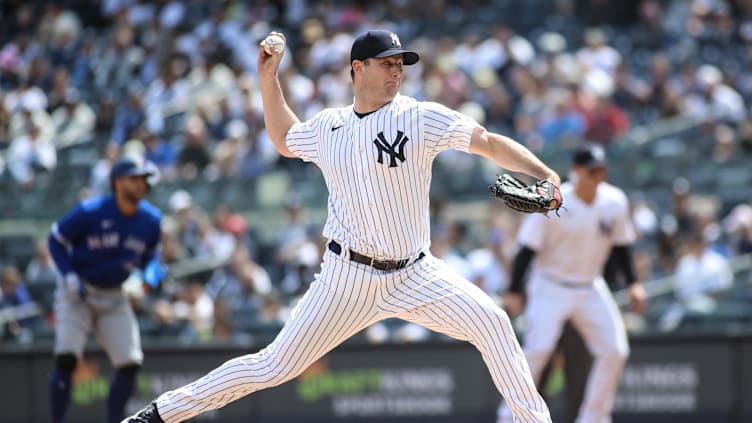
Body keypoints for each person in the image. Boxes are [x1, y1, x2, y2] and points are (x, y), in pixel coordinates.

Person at [123, 29, 561, 423]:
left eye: (400, 64)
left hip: (416, 273)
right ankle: (161, 414)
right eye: (387, 63)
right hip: (346, 277)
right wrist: (268, 80)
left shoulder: (419, 116)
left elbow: (487, 142)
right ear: (359, 68)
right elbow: (284, 138)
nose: (397, 72)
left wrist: (543, 174)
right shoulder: (329, 126)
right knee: (273, 365)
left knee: (494, 323)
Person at [497, 144, 646, 423]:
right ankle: (510, 417)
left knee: (615, 351)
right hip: (550, 286)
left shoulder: (614, 201)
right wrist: (515, 289)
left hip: (590, 286)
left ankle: (594, 417)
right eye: (592, 170)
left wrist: (633, 283)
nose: (598, 175)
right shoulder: (553, 201)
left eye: (601, 170)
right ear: (576, 171)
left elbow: (622, 246)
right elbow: (526, 249)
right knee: (537, 351)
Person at [48, 155, 163, 423]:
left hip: (115, 294)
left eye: (144, 179)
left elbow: (153, 259)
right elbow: (55, 240)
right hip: (78, 291)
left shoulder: (151, 219)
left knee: (130, 363)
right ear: (117, 182)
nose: (141, 184)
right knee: (67, 358)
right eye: (135, 178)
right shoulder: (91, 211)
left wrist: (146, 279)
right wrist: (67, 276)